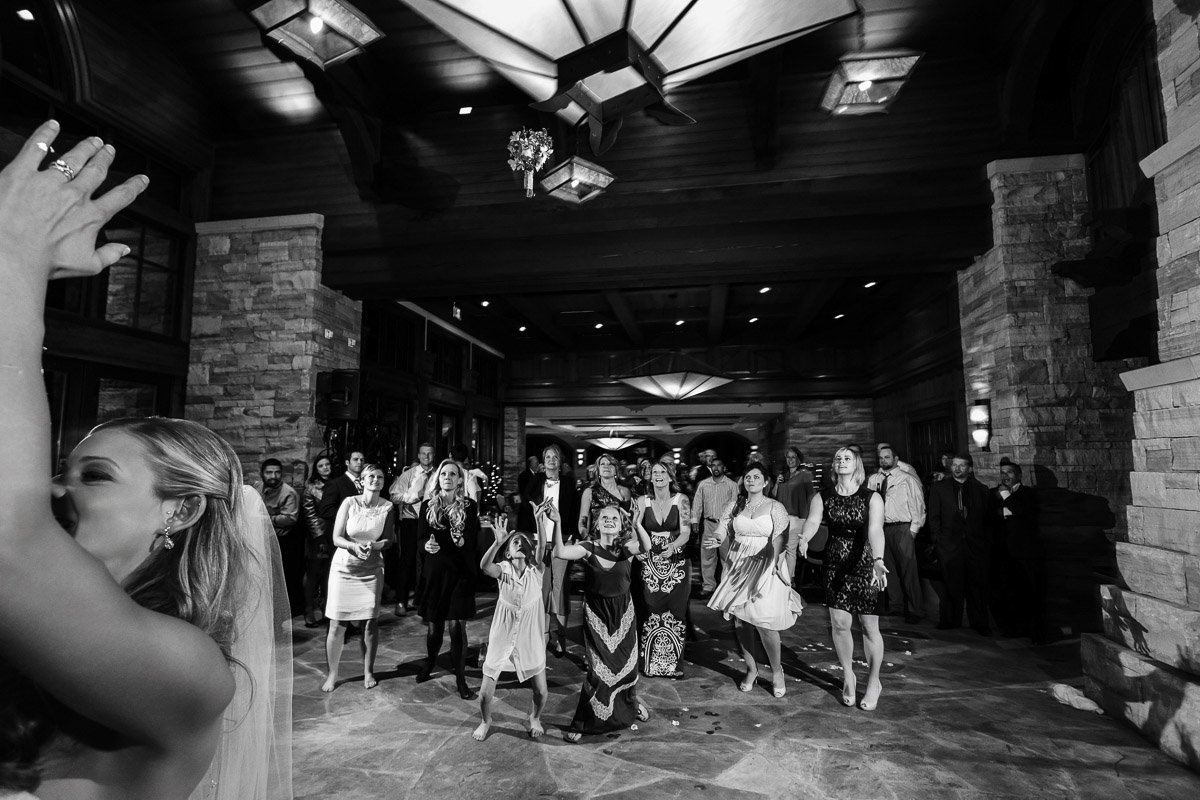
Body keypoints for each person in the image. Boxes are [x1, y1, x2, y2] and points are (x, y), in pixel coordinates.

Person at [0, 122, 291, 800]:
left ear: (181, 508)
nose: (54, 488)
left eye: (95, 476)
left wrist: (16, 260)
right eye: (63, 470)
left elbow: (10, 537)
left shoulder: (190, 671)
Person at [798, 446, 888, 711]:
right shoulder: (822, 496)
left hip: (865, 563)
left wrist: (878, 560)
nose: (841, 461)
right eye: (837, 458)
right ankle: (848, 674)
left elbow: (875, 530)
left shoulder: (871, 497)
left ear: (856, 464)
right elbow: (813, 521)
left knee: (869, 626)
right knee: (839, 623)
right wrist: (804, 536)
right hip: (835, 563)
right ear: (833, 466)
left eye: (847, 458)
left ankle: (873, 682)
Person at [704, 463, 801, 698]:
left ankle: (777, 671)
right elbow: (723, 527)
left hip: (765, 563)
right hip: (737, 563)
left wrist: (774, 560)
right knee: (740, 622)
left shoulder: (775, 507)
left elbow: (781, 536)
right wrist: (718, 538)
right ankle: (751, 669)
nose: (751, 480)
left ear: (766, 482)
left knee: (765, 623)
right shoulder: (736, 504)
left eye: (757, 477)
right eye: (748, 477)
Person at [554, 505, 648, 742]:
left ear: (620, 524)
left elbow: (647, 547)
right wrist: (557, 522)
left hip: (623, 613)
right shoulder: (589, 547)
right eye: (604, 517)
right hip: (597, 615)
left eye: (613, 518)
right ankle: (584, 721)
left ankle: (631, 703)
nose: (608, 520)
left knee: (627, 668)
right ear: (596, 524)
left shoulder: (625, 547)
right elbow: (560, 552)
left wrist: (637, 524)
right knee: (598, 672)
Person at [472, 505, 553, 741]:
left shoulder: (536, 571)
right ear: (508, 552)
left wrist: (539, 521)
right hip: (503, 636)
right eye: (514, 541)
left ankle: (534, 717)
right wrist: (497, 542)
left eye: (524, 541)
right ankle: (486, 721)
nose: (520, 543)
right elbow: (484, 567)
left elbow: (542, 549)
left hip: (530, 638)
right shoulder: (504, 569)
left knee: (541, 690)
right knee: (486, 694)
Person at [321, 464, 394, 692]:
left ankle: (368, 670)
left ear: (384, 482)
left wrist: (375, 545)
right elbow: (336, 538)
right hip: (344, 568)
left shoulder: (388, 507)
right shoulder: (349, 503)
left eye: (380, 476)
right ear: (362, 481)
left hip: (372, 568)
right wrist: (353, 547)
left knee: (370, 623)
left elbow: (390, 540)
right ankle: (332, 674)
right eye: (371, 476)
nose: (375, 479)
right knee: (337, 623)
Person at [416, 459, 482, 700]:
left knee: (456, 626)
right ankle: (430, 662)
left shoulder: (469, 506)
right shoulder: (428, 506)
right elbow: (420, 540)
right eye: (444, 474)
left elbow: (472, 541)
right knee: (435, 627)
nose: (448, 477)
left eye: (453, 474)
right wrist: (426, 545)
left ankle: (461, 678)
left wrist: (463, 543)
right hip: (435, 572)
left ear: (459, 480)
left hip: (460, 572)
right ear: (438, 478)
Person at [517, 444, 579, 657]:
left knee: (560, 588)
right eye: (548, 456)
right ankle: (544, 635)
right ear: (544, 461)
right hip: (539, 541)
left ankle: (561, 637)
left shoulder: (570, 483)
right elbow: (525, 509)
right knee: (542, 590)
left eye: (555, 456)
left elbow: (575, 510)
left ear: (560, 461)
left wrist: (572, 535)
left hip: (563, 540)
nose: (552, 459)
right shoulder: (534, 482)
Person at [632, 461, 691, 678]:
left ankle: (674, 666)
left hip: (676, 562)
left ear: (670, 476)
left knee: (675, 612)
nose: (658, 475)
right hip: (649, 564)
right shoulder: (642, 501)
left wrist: (674, 546)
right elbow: (633, 528)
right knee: (650, 612)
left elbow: (686, 532)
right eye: (654, 472)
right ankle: (650, 664)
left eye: (662, 472)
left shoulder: (681, 499)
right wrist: (636, 547)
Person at [928, 453, 991, 634]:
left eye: (961, 465)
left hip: (975, 546)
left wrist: (984, 543)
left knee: (976, 586)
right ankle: (949, 620)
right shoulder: (939, 488)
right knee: (950, 585)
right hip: (948, 545)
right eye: (954, 465)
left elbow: (986, 520)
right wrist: (938, 541)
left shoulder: (981, 489)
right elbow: (934, 517)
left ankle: (979, 623)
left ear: (970, 468)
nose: (957, 468)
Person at [864, 444, 925, 623]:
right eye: (881, 458)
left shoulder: (907, 479)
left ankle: (915, 610)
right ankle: (896, 606)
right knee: (887, 569)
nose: (883, 460)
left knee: (909, 571)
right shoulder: (874, 479)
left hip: (902, 527)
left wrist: (912, 531)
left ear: (896, 459)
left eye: (887, 457)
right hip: (881, 528)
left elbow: (918, 506)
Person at [988, 458, 1043, 640]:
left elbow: (1023, 514)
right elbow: (989, 517)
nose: (1005, 476)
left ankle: (1030, 629)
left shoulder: (1029, 494)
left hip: (1023, 552)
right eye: (1002, 473)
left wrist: (1006, 498)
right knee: (1004, 591)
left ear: (1019, 475)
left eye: (1009, 472)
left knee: (1026, 591)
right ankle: (1008, 628)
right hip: (1001, 552)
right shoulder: (992, 494)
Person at [388, 443, 437, 616]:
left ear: (434, 455)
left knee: (428, 561)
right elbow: (393, 495)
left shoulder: (439, 474)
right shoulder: (409, 474)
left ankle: (424, 600)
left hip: (432, 522)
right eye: (423, 454)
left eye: (430, 454)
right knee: (407, 560)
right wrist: (416, 496)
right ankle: (401, 601)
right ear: (418, 455)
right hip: (411, 521)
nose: (427, 457)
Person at [259, 458, 302, 617]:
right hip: (262, 540)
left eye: (277, 472)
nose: (273, 476)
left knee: (280, 580)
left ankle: (282, 615)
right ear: (262, 473)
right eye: (269, 472)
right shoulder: (258, 487)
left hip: (282, 543)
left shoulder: (288, 492)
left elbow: (289, 518)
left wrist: (265, 518)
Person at [691, 457, 739, 597]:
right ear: (711, 468)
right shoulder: (703, 484)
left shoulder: (731, 485)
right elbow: (697, 503)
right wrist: (695, 521)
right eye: (714, 465)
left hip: (725, 525)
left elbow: (736, 506)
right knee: (707, 556)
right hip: (708, 524)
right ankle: (708, 586)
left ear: (724, 468)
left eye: (719, 465)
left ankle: (726, 586)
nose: (716, 468)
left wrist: (733, 525)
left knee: (726, 557)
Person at [300, 455, 334, 627]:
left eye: (327, 464)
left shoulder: (336, 483)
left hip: (335, 532)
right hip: (318, 535)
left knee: (330, 573)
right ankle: (309, 608)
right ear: (316, 469)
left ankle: (328, 607)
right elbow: (309, 514)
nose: (325, 468)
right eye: (321, 465)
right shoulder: (311, 488)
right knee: (314, 572)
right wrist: (319, 537)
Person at [774, 447, 814, 577]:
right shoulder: (783, 476)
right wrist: (776, 483)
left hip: (797, 518)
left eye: (793, 457)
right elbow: (774, 495)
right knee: (779, 549)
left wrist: (810, 517)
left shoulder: (805, 475)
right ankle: (780, 577)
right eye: (788, 457)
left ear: (798, 459)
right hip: (781, 518)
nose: (790, 460)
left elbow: (811, 496)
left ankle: (789, 580)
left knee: (790, 549)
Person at [578, 453, 632, 535]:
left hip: (620, 539)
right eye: (602, 464)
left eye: (610, 464)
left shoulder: (624, 491)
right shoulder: (589, 492)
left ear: (616, 471)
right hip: (597, 540)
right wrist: (585, 537)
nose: (606, 466)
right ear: (598, 470)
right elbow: (583, 520)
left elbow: (628, 519)